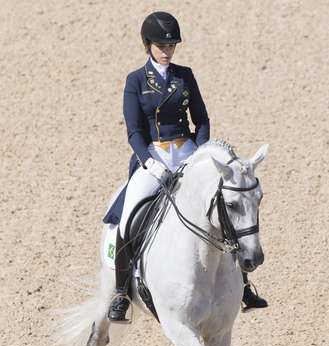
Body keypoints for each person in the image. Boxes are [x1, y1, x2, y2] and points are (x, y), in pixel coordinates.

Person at [104, 11, 267, 322]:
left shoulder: (185, 75)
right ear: (148, 45)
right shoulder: (136, 81)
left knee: (224, 206)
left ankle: (243, 285)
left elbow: (201, 119)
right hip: (154, 156)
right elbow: (134, 131)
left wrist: (201, 153)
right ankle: (122, 293)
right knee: (128, 218)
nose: (167, 51)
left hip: (189, 152)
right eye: (161, 46)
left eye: (171, 46)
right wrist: (149, 162)